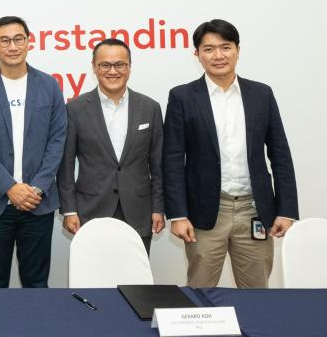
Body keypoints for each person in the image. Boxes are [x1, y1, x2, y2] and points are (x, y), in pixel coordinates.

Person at [163, 19, 299, 288]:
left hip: (255, 210)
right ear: (197, 54)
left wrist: (286, 210)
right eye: (209, 49)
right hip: (205, 214)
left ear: (238, 50)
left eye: (225, 47)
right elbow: (173, 159)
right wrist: (178, 215)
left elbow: (280, 153)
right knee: (201, 294)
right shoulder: (182, 97)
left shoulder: (261, 94)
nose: (218, 55)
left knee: (257, 295)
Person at [0, 16, 67, 288]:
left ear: (29, 42)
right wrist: (10, 187)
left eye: (18, 39)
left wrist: (37, 188)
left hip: (37, 203)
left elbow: (57, 141)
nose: (12, 46)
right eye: (4, 40)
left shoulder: (49, 85)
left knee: (37, 284)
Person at [58, 39, 164, 253]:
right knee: (93, 272)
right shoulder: (75, 109)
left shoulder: (150, 108)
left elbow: (158, 165)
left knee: (135, 273)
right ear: (94, 67)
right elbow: (65, 166)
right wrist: (69, 210)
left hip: (139, 211)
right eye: (105, 65)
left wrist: (158, 207)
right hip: (90, 211)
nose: (113, 71)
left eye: (120, 65)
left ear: (129, 67)